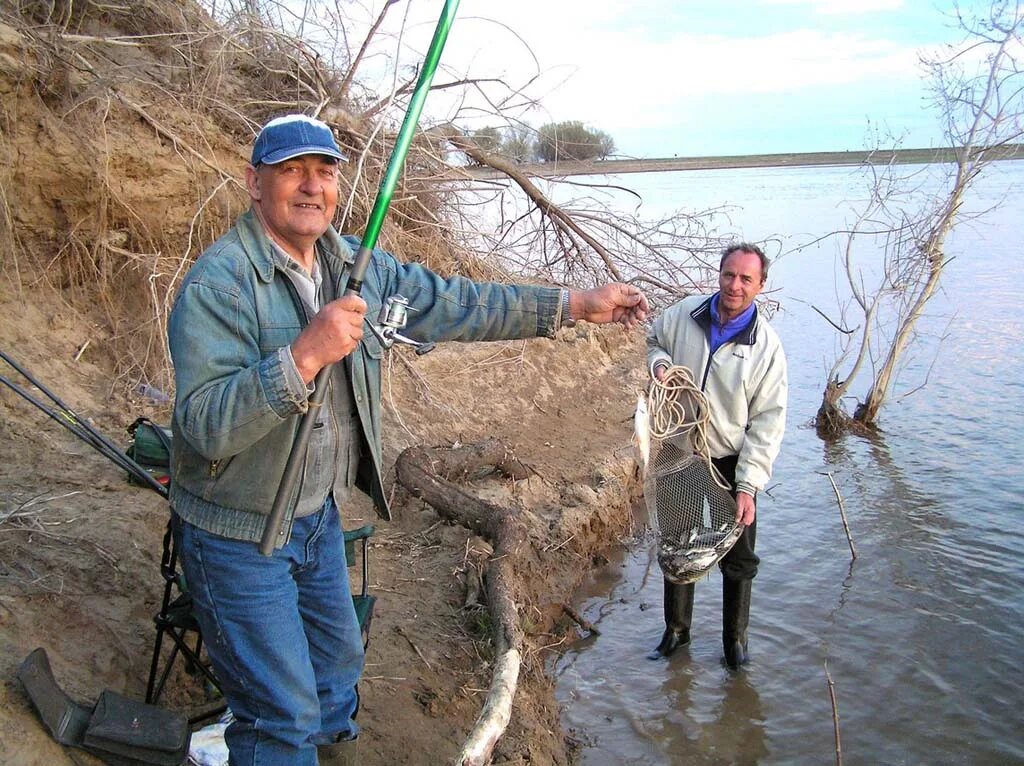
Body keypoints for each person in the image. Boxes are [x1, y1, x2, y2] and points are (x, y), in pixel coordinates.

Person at [166, 113, 649, 766]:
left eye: (323, 171)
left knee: (337, 673)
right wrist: (302, 357)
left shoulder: (351, 265)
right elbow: (202, 427)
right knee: (282, 713)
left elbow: (456, 302)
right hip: (238, 532)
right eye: (291, 171)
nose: (311, 186)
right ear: (255, 183)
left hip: (314, 517)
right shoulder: (218, 284)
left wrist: (574, 305)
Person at [645, 242, 787, 669]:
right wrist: (659, 366)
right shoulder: (686, 313)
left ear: (761, 285)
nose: (735, 285)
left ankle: (734, 644)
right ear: (719, 274)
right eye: (729, 275)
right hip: (677, 449)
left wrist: (748, 486)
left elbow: (768, 421)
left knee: (739, 558)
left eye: (746, 278)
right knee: (676, 544)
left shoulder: (767, 348)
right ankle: (676, 632)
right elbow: (654, 338)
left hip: (730, 463)